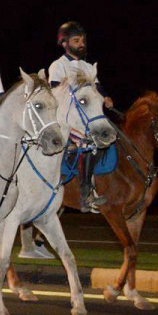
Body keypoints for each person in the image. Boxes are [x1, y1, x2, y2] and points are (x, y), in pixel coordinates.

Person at [49, 21, 113, 212]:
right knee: (89, 143)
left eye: (83, 40)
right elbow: (54, 94)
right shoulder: (58, 65)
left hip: (87, 118)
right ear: (64, 43)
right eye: (76, 40)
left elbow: (97, 88)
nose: (81, 44)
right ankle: (86, 193)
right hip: (67, 120)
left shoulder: (87, 66)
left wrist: (106, 97)